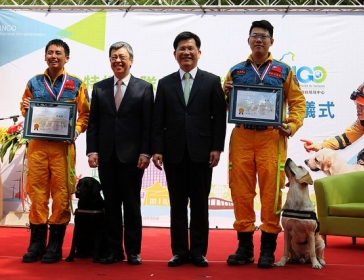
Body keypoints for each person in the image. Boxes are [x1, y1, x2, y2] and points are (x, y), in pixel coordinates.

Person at [223, 20, 306, 269]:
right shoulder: (236, 71)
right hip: (243, 137)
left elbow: (298, 102)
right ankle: (244, 246)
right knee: (240, 192)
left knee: (272, 193)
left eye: (264, 36)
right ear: (248, 40)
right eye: (254, 35)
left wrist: (291, 126)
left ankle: (268, 248)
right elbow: (225, 107)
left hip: (272, 137)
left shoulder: (284, 71)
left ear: (272, 41)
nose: (259, 40)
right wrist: (225, 95)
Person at [152, 31, 226, 267]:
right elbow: (158, 120)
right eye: (181, 48)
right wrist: (158, 149)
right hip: (173, 152)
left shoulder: (212, 81)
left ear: (199, 53)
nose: (186, 52)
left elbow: (218, 119)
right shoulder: (165, 83)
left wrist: (217, 147)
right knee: (177, 205)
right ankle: (179, 251)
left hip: (202, 152)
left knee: (200, 204)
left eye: (190, 48)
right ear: (175, 54)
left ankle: (198, 251)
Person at [20, 39, 90, 263]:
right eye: (49, 53)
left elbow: (86, 114)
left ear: (66, 58)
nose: (53, 56)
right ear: (45, 57)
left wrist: (76, 130)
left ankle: (55, 245)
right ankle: (37, 243)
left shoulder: (77, 84)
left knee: (61, 194)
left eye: (58, 53)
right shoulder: (34, 82)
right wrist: (27, 109)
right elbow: (24, 106)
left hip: (63, 149)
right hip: (38, 147)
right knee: (37, 193)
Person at [86, 41, 154, 265]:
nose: (118, 60)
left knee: (132, 205)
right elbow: (94, 123)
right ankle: (114, 250)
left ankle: (133, 251)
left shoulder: (144, 88)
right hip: (106, 156)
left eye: (122, 56)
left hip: (133, 158)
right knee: (112, 205)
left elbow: (148, 125)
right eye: (114, 56)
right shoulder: (100, 88)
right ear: (110, 61)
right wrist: (92, 150)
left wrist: (146, 152)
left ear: (131, 60)